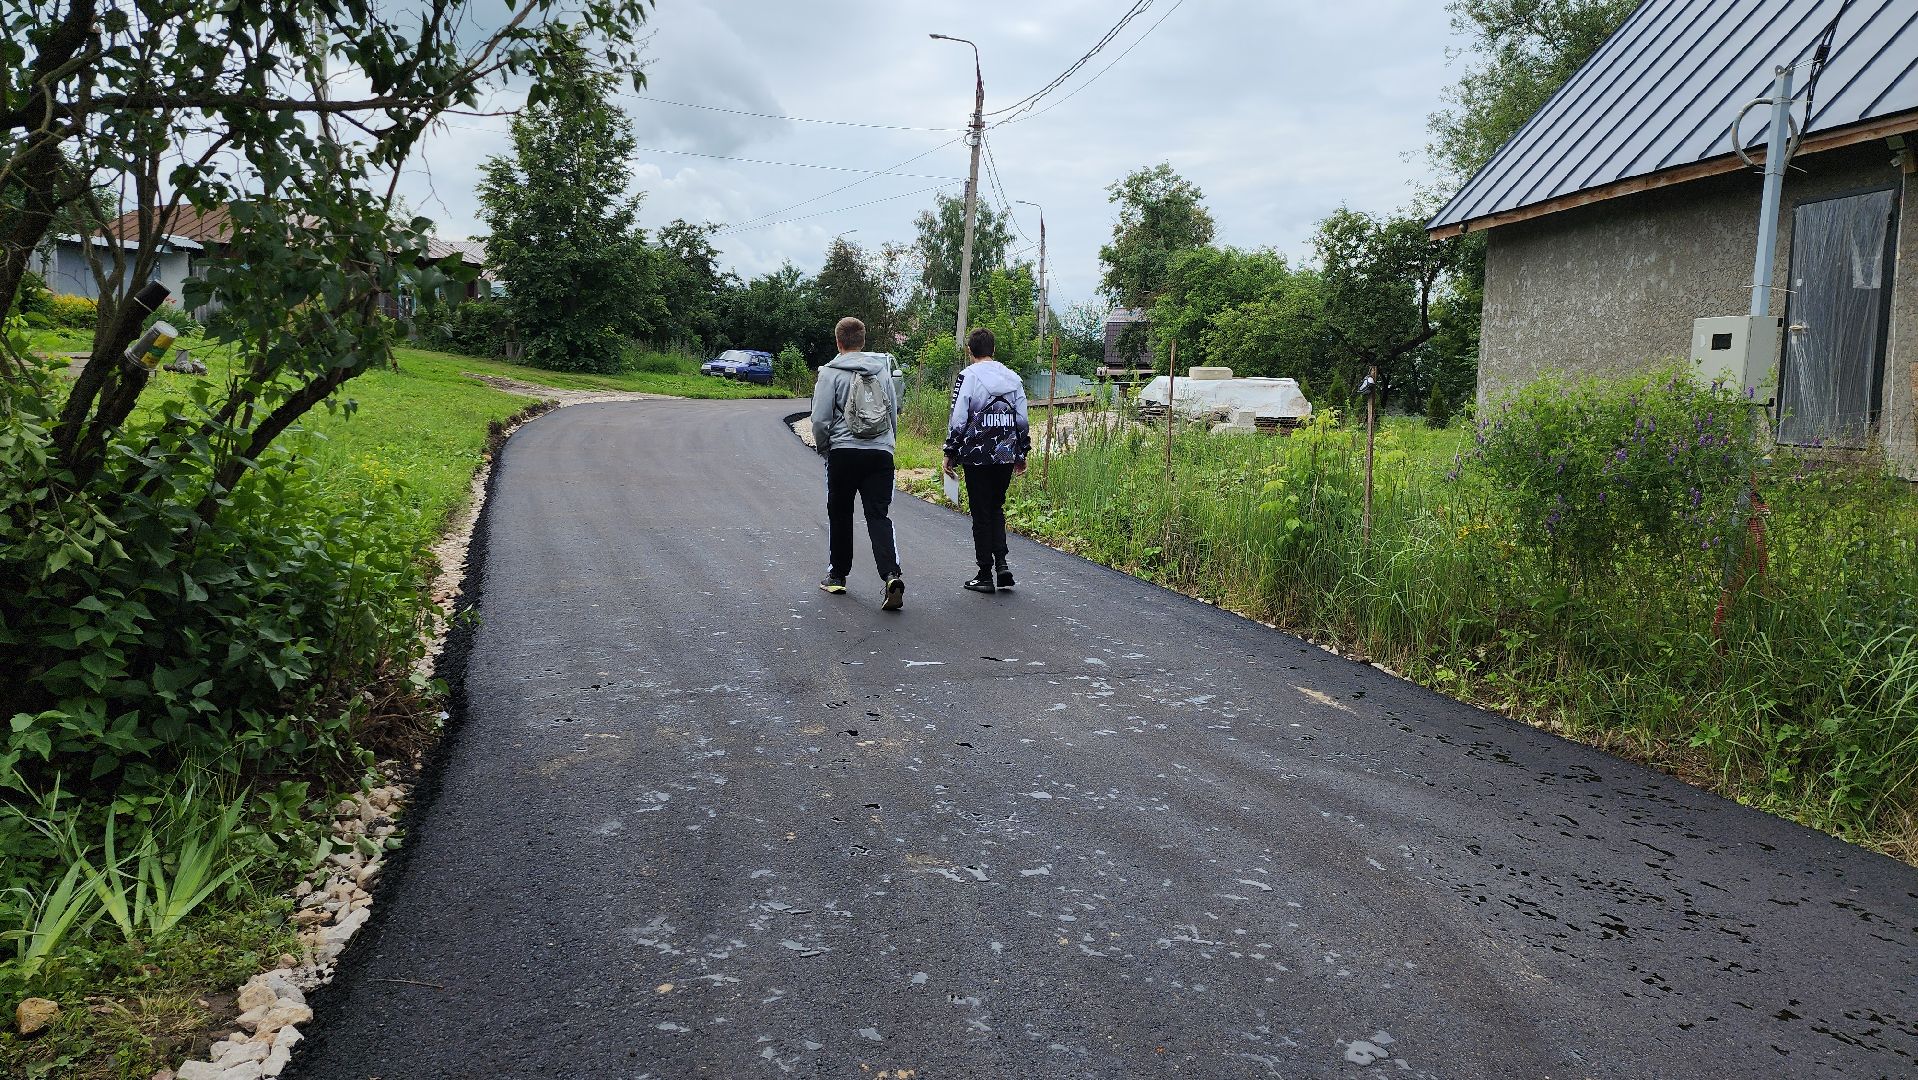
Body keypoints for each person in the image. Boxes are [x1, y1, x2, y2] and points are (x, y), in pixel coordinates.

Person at [810, 316, 906, 610]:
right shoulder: (882, 372)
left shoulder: (829, 373)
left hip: (843, 453)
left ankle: (837, 575)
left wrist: (825, 448)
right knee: (878, 515)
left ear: (838, 342)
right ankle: (891, 575)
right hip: (880, 453)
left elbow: (820, 419)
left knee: (840, 513)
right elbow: (892, 414)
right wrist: (887, 446)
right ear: (863, 342)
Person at [944, 327, 1030, 594]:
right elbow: (1022, 419)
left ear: (970, 351)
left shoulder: (968, 376)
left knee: (981, 512)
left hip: (977, 453)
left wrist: (950, 451)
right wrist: (1022, 452)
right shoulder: (1013, 377)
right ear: (993, 350)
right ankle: (1002, 565)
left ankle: (984, 574)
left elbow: (959, 418)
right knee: (996, 506)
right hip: (1005, 452)